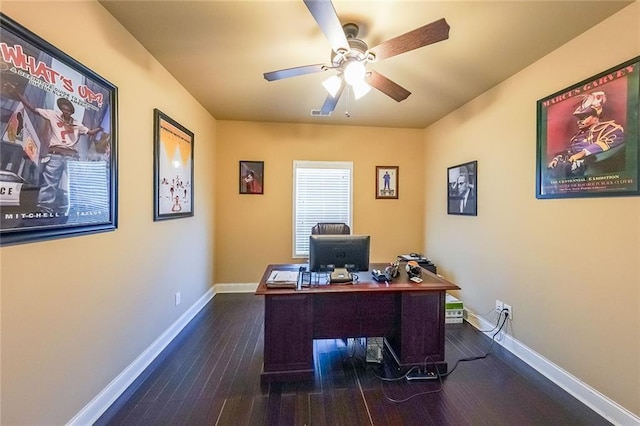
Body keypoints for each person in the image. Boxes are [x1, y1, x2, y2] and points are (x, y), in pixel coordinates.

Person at [5, 83, 103, 214]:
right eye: (64, 108)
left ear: (71, 111)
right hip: (56, 153)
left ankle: (82, 206)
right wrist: (18, 94)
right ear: (61, 108)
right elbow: (34, 109)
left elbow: (90, 132)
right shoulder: (53, 115)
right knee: (50, 182)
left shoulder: (77, 124)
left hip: (71, 156)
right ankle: (44, 207)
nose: (66, 111)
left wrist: (99, 129)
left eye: (68, 109)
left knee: (77, 182)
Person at [547, 91, 625, 177]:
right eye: (579, 118)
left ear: (595, 117)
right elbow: (569, 152)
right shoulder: (577, 136)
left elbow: (616, 138)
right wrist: (556, 159)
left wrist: (583, 153)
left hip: (595, 168)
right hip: (573, 170)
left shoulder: (609, 128)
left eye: (584, 117)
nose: (580, 121)